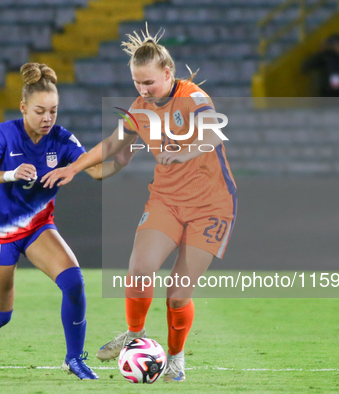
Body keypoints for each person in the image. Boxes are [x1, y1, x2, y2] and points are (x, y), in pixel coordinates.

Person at [42, 27, 237, 382]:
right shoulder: (140, 108)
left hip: (212, 205)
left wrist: (183, 152)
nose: (143, 90)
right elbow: (116, 147)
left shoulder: (194, 98)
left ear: (168, 73)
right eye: (136, 83)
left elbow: (210, 134)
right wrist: (78, 167)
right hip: (167, 200)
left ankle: (176, 358)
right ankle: (134, 336)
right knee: (139, 269)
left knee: (178, 294)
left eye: (149, 82)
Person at [0, 62, 133, 380]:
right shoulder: (5, 134)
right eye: (40, 111)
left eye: (53, 111)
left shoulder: (62, 139)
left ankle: (75, 358)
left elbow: (95, 170)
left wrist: (122, 157)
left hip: (38, 227)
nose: (47, 119)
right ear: (24, 107)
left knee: (73, 283)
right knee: (0, 314)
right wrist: (11, 173)